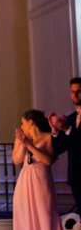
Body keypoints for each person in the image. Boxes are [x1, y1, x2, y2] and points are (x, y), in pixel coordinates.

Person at [11, 109, 68, 230]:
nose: (21, 126)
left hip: (41, 179)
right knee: (26, 218)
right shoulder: (21, 138)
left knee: (45, 217)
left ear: (31, 122)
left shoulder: (48, 137)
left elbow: (48, 160)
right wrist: (23, 143)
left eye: (23, 122)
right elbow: (16, 160)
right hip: (25, 180)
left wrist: (30, 145)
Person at [49, 77, 81, 213]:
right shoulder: (71, 118)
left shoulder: (69, 123)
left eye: (79, 91)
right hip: (75, 175)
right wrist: (55, 131)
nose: (75, 95)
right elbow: (59, 148)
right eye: (72, 91)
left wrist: (68, 129)